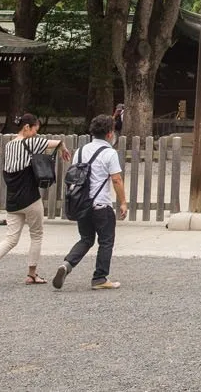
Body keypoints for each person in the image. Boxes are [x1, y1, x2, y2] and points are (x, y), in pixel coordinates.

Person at [0, 113, 70, 287]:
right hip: (30, 198)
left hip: (12, 199)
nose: (36, 133)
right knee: (36, 235)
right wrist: (64, 148)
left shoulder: (9, 145)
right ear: (27, 127)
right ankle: (32, 274)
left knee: (11, 239)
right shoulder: (30, 142)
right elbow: (56, 143)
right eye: (35, 129)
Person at [52, 114, 126, 291]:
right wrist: (123, 202)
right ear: (109, 134)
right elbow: (116, 180)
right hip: (101, 205)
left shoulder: (80, 151)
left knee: (86, 239)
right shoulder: (109, 153)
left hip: (82, 204)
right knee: (106, 241)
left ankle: (67, 265)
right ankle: (99, 278)